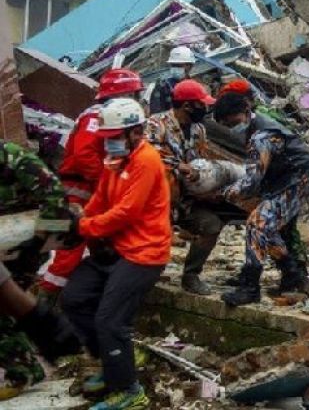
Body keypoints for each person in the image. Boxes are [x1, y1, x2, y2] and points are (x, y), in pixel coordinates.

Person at [61, 98, 171, 410]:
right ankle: (113, 365)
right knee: (74, 299)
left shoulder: (146, 160)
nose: (109, 143)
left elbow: (126, 212)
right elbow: (100, 198)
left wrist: (84, 227)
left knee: (109, 320)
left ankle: (130, 390)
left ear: (136, 133)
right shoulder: (115, 158)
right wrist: (82, 218)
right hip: (118, 248)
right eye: (107, 137)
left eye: (115, 137)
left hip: (144, 253)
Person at [37, 68, 145, 296]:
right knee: (68, 251)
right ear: (121, 94)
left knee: (84, 244)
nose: (136, 100)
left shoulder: (107, 117)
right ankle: (41, 303)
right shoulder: (96, 117)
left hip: (85, 191)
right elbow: (84, 154)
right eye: (133, 94)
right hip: (78, 191)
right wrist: (107, 183)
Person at [214, 92, 309, 307]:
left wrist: (225, 192)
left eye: (231, 122)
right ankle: (292, 274)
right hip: (285, 178)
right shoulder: (254, 128)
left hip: (299, 178)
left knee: (257, 224)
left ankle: (250, 286)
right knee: (269, 227)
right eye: (226, 125)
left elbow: (252, 180)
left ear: (244, 112)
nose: (230, 127)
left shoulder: (261, 136)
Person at [0, 141, 82, 395]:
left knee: (7, 309)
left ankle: (24, 370)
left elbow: (56, 200)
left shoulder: (18, 161)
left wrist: (35, 241)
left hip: (31, 240)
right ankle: (26, 366)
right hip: (6, 242)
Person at [145, 79, 223, 295]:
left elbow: (201, 159)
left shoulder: (199, 130)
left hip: (186, 199)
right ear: (188, 106)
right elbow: (148, 155)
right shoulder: (156, 124)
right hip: (158, 198)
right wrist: (178, 166)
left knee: (211, 226)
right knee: (152, 245)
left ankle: (191, 275)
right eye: (202, 104)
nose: (205, 109)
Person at [148, 45, 195, 115]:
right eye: (173, 65)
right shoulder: (163, 84)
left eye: (179, 66)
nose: (175, 68)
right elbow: (156, 111)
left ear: (189, 66)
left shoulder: (193, 85)